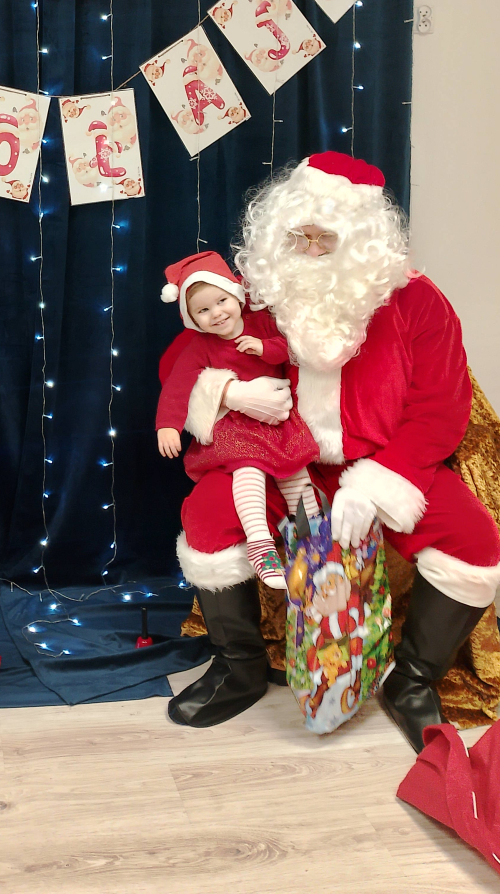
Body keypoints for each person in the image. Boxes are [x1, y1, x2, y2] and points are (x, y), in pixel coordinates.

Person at [167, 153, 500, 753]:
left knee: (474, 544)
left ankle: (412, 680)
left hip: (383, 461)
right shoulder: (257, 297)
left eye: (330, 237)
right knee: (208, 519)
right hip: (277, 459)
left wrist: (377, 484)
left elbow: (440, 409)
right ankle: (240, 667)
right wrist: (229, 392)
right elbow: (184, 366)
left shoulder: (417, 303)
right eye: (302, 237)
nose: (314, 250)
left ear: (364, 239)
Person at [156, 252, 319, 588]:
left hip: (277, 424)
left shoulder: (261, 325)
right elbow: (177, 386)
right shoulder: (200, 347)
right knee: (248, 471)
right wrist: (167, 425)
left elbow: (289, 348)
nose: (217, 313)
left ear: (236, 296)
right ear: (192, 319)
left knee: (296, 472)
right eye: (203, 310)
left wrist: (264, 348)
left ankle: (315, 538)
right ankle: (260, 545)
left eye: (221, 301)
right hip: (237, 429)